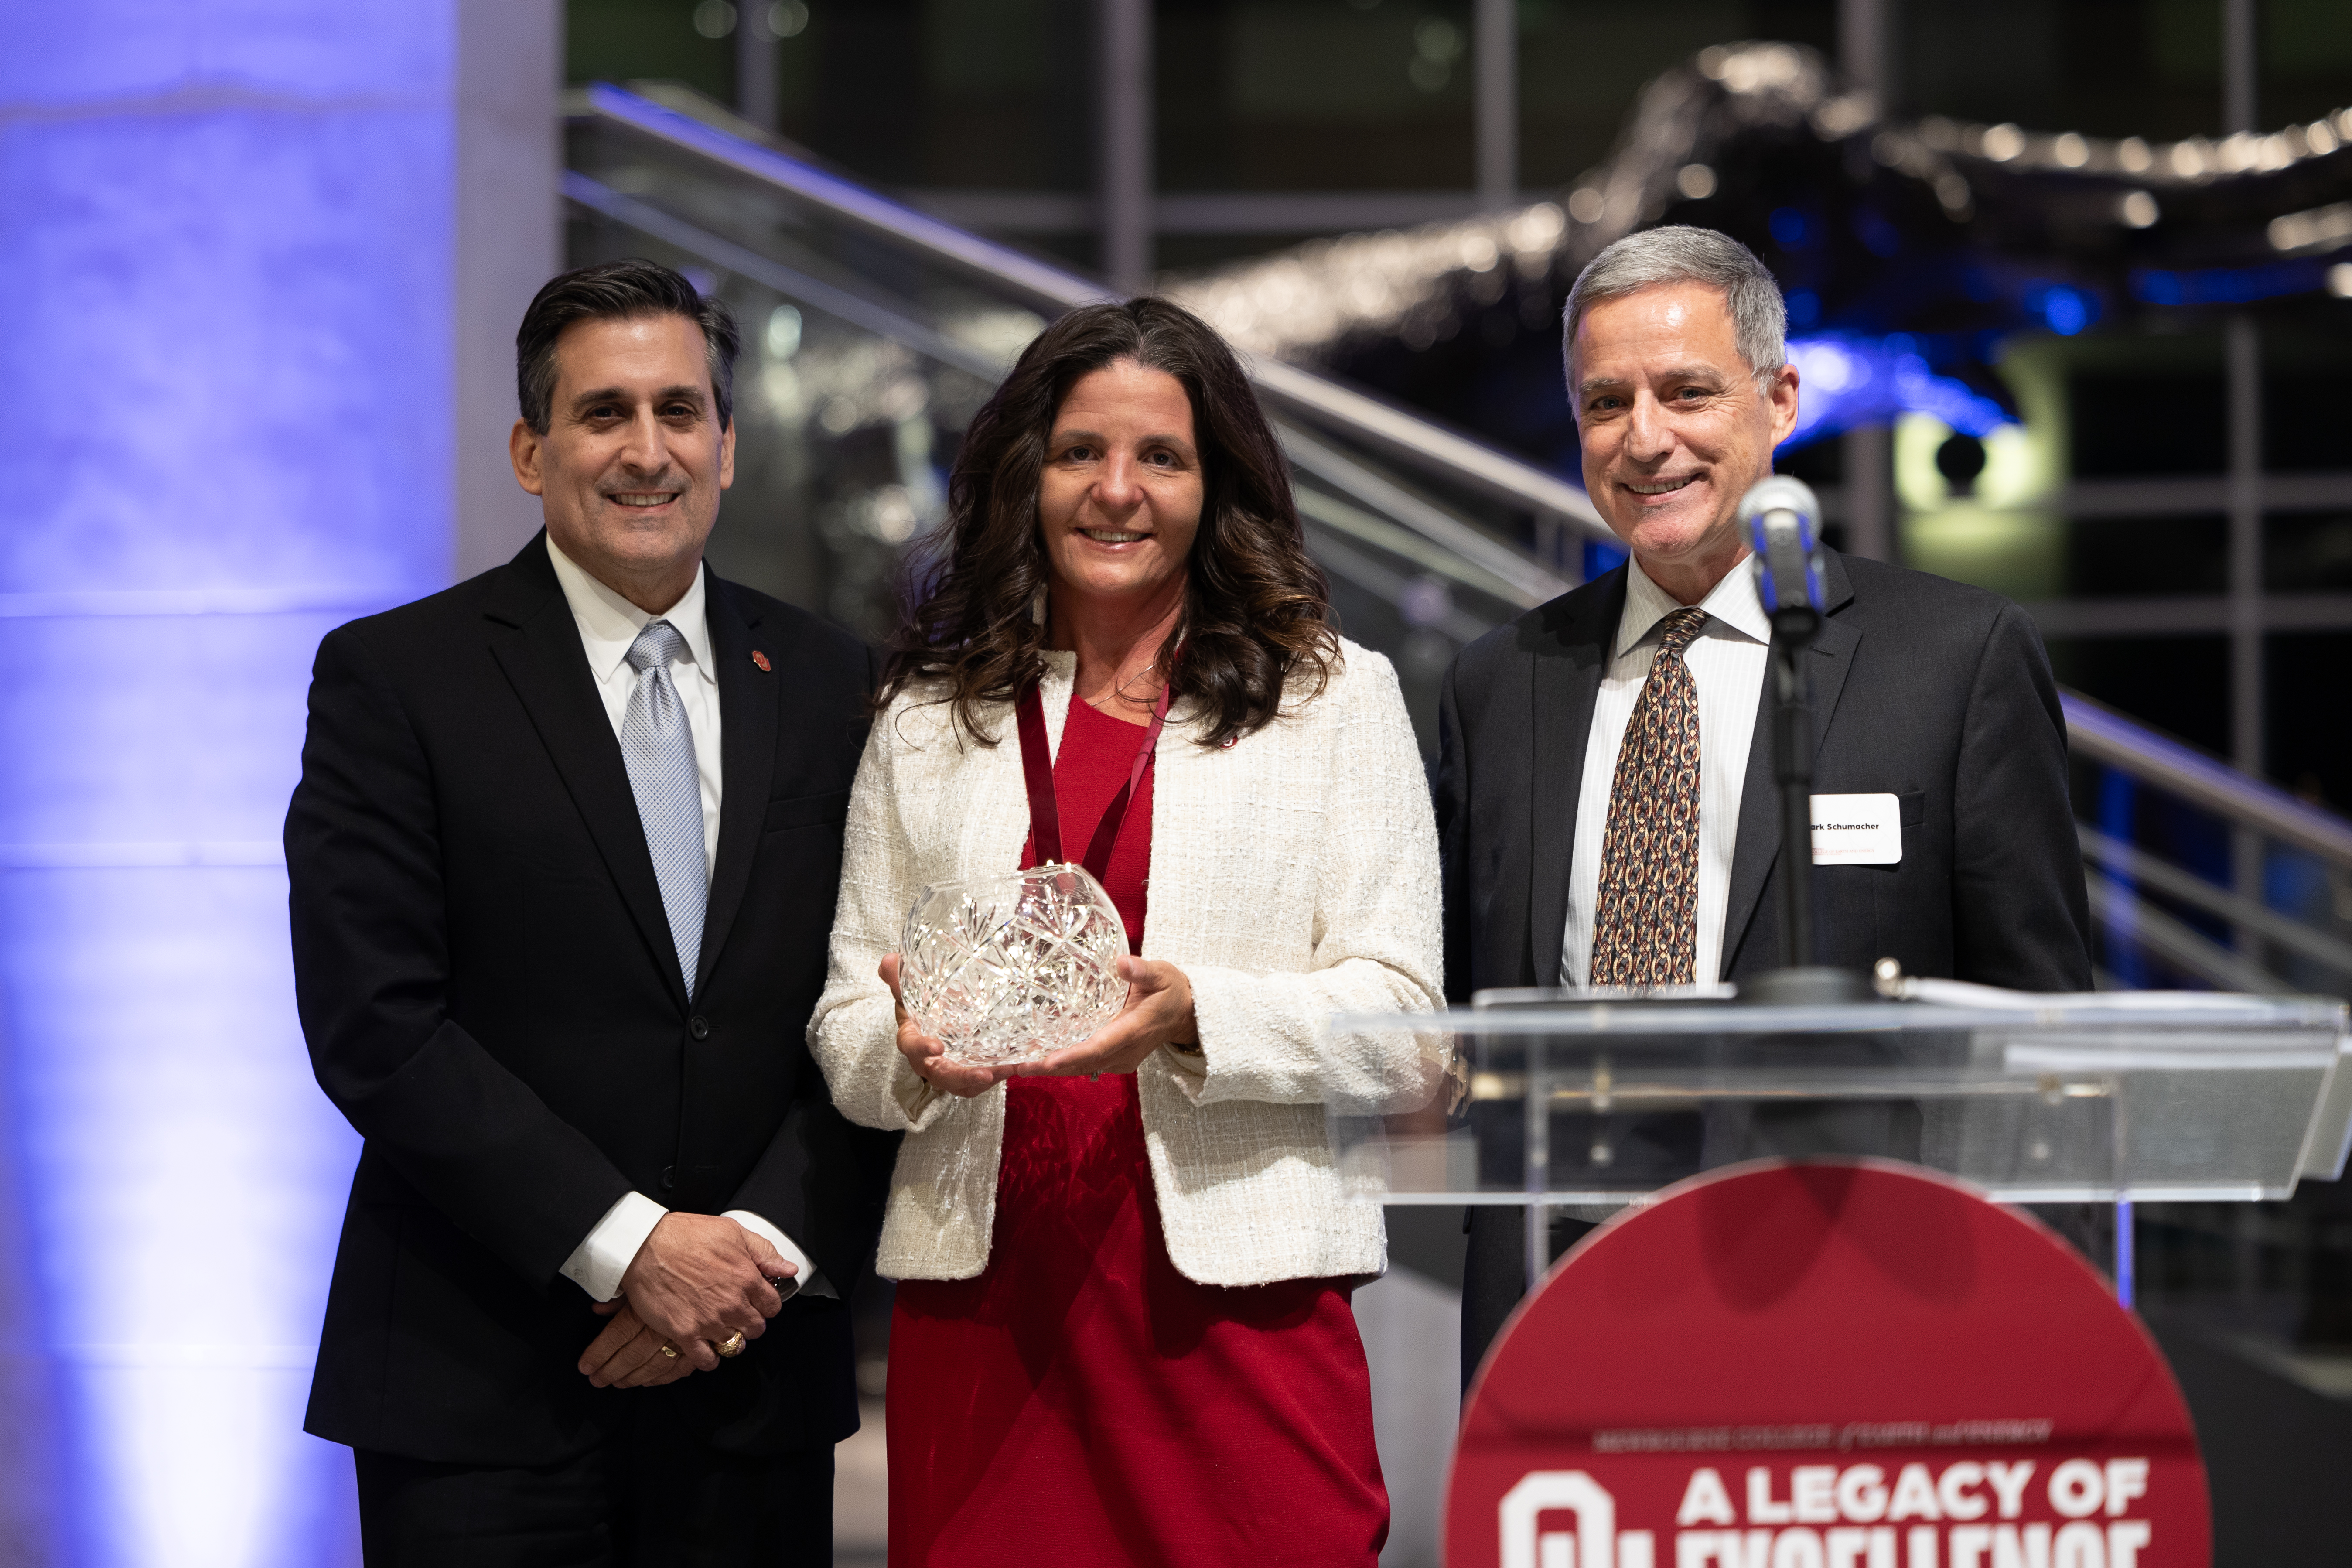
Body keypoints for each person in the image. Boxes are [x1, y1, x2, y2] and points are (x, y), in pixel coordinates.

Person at [809, 298, 1442, 1566]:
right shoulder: (928, 719)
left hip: (1235, 1312)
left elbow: (1407, 1028)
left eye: (1161, 455)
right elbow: (844, 1015)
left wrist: (1199, 1015)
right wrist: (907, 1053)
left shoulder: (1329, 698)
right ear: (1024, 478)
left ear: (1217, 486)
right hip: (989, 1312)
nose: (1117, 490)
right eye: (1078, 452)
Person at [286, 258, 897, 1562]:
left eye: (679, 412)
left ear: (727, 448)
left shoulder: (837, 681)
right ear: (530, 447)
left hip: (752, 1373)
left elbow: (877, 1000)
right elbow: (375, 1022)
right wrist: (627, 1249)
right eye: (603, 413)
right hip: (476, 1383)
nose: (646, 451)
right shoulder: (396, 678)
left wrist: (753, 1254)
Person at [1437, 226, 2093, 1385]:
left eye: (1685, 391)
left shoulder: (1951, 660)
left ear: (1779, 398)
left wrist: (2045, 1348)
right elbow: (1451, 1017)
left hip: (1865, 1310)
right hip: (1563, 1312)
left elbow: (2042, 1044)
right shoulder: (1500, 685)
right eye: (1605, 403)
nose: (1645, 439)